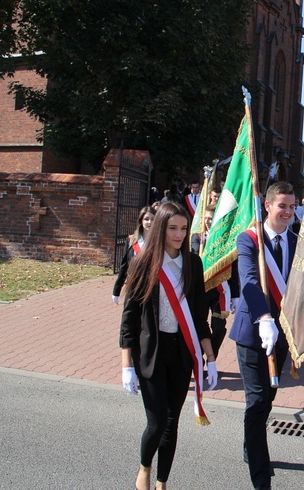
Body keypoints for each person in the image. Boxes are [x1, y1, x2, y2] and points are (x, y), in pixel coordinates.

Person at [119, 202, 218, 490]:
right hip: (150, 352)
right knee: (157, 420)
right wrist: (127, 365)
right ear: (161, 228)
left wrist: (210, 358)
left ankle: (162, 482)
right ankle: (144, 467)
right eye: (172, 228)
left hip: (181, 352)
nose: (178, 234)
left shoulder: (193, 263)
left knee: (172, 421)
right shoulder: (142, 262)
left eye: (184, 228)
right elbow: (129, 319)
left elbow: (200, 316)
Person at [229, 181, 297, 490]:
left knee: (267, 400)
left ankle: (250, 443)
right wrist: (264, 317)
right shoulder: (249, 240)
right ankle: (261, 479)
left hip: (282, 335)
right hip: (252, 332)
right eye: (282, 205)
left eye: (292, 206)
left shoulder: (298, 242)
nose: (287, 211)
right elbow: (249, 281)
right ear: (267, 206)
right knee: (256, 401)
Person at [191, 205, 239, 358]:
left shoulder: (227, 239)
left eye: (213, 219)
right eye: (207, 219)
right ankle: (202, 362)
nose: (210, 222)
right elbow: (194, 256)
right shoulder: (198, 237)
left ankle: (211, 355)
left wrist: (236, 295)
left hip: (221, 291)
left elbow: (234, 267)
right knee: (199, 326)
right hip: (201, 290)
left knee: (219, 328)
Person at [112, 206, 154, 304]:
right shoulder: (132, 240)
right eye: (146, 219)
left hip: (151, 289)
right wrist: (116, 290)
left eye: (152, 219)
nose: (149, 222)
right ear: (141, 221)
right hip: (133, 287)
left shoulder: (159, 242)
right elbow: (124, 266)